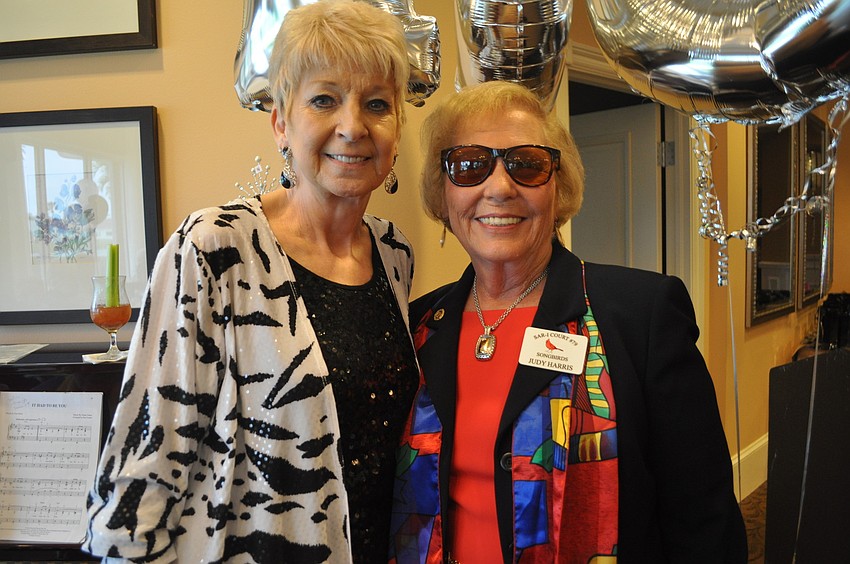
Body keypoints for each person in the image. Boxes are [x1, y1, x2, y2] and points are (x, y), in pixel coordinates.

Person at [84, 1, 419, 561]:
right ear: (281, 122)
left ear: (397, 129)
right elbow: (146, 461)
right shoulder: (214, 248)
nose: (353, 125)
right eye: (324, 99)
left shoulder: (393, 254)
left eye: (377, 104)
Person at [389, 80, 747, 563]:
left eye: (528, 164)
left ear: (560, 188)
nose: (499, 187)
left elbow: (704, 521)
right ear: (443, 190)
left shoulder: (641, 314)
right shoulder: (420, 323)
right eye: (470, 165)